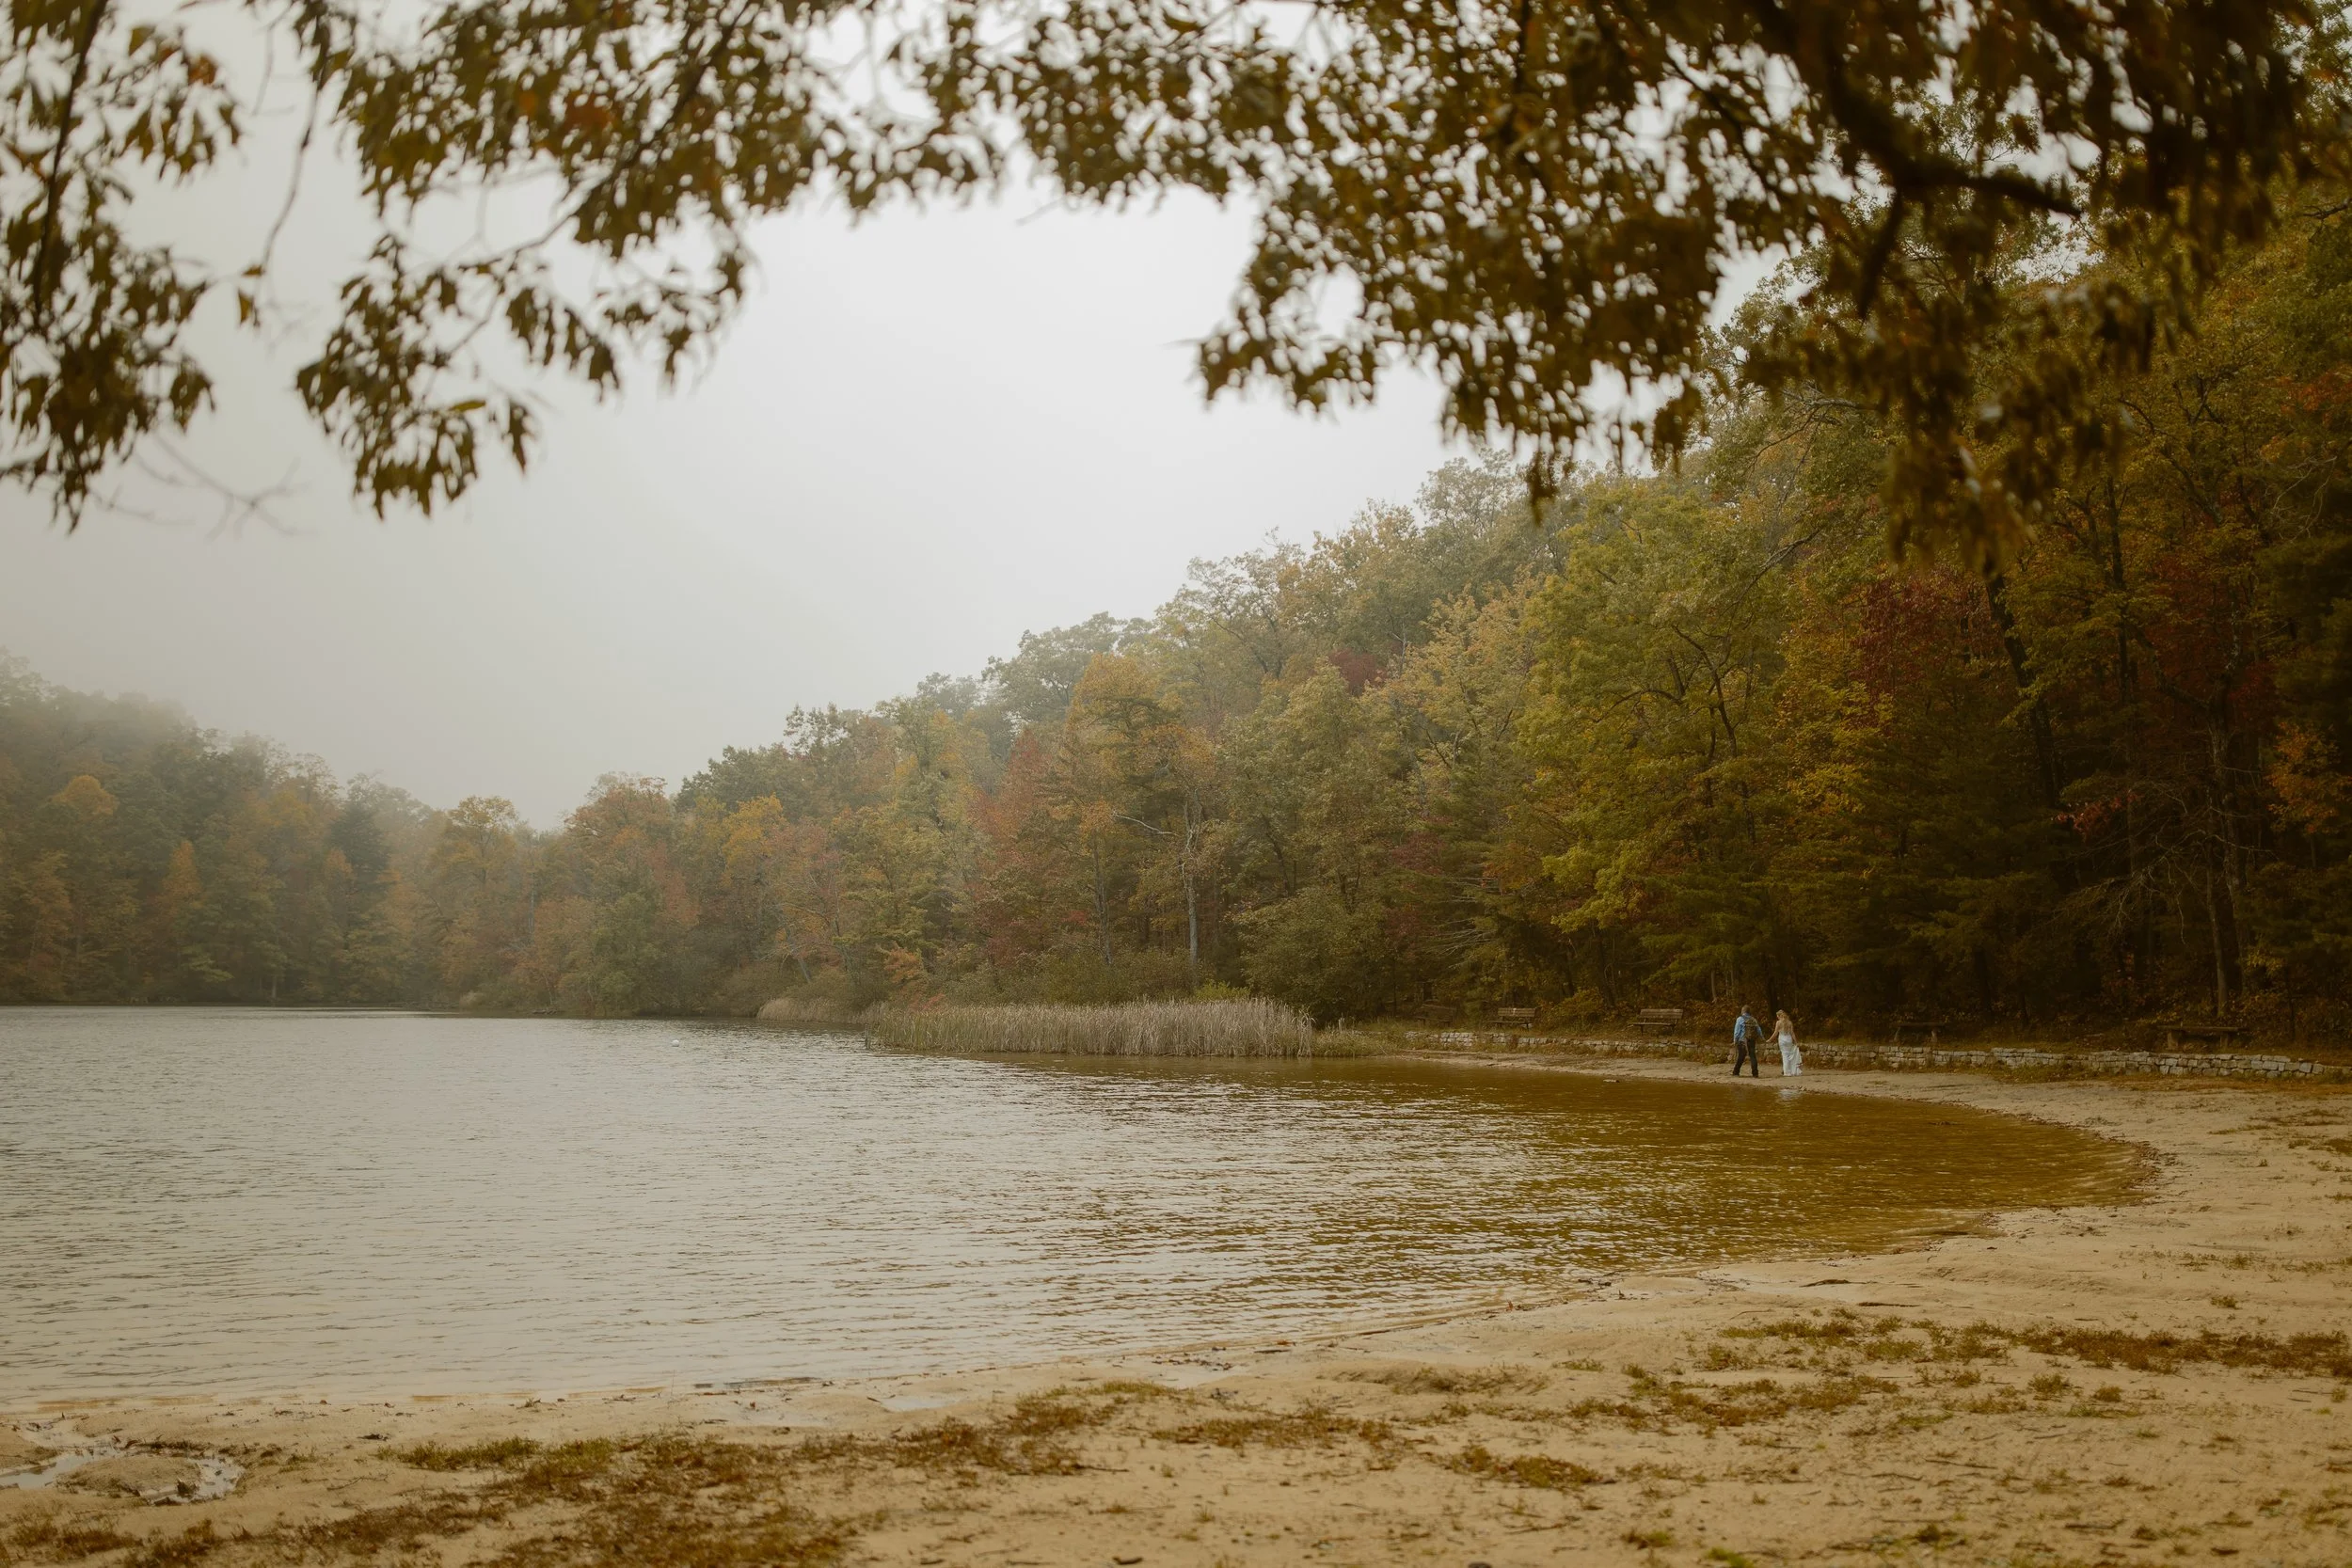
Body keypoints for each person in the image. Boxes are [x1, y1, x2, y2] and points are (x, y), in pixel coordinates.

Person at [1731, 1005, 1761, 1077]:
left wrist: (1735, 1040)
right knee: (1752, 1056)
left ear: (1743, 1011)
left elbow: (1737, 1031)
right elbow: (1759, 1030)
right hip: (1752, 1040)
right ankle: (1755, 1073)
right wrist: (1761, 1037)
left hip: (1742, 1040)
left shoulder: (1740, 1019)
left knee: (1741, 1056)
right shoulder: (1753, 1019)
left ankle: (1736, 1072)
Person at [1775, 1009, 1803, 1076]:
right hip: (1789, 1039)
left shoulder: (1778, 1022)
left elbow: (1775, 1033)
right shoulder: (1789, 1023)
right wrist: (1796, 1042)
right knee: (1790, 1055)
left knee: (1785, 1055)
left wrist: (1769, 1040)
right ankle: (1791, 1070)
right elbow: (1792, 1033)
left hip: (1782, 1039)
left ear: (1779, 1016)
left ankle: (1787, 1072)